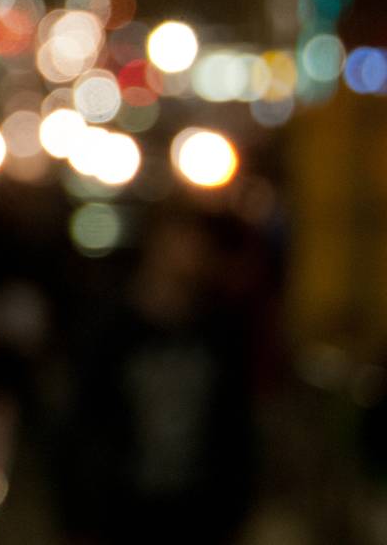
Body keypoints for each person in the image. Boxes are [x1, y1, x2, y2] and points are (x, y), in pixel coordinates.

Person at [56, 203, 256, 545]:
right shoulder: (112, 332)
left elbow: (236, 426)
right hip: (124, 515)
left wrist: (235, 508)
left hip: (198, 516)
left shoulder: (218, 332)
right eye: (183, 238)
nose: (192, 253)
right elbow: (83, 425)